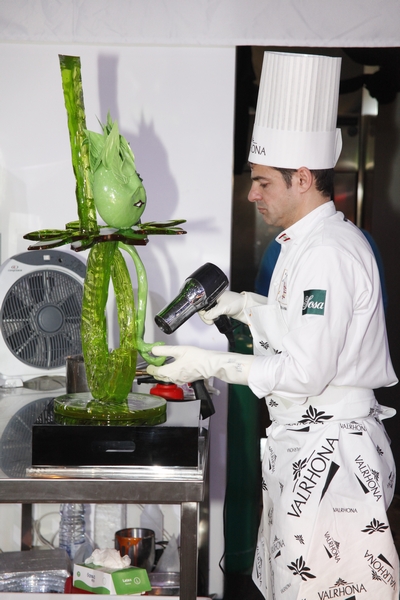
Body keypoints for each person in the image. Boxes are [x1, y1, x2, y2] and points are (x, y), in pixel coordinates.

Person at [147, 51, 399, 599]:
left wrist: (208, 363)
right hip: (306, 447)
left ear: (302, 177)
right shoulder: (303, 246)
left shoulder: (330, 253)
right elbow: (296, 325)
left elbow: (305, 371)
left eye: (262, 182)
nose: (251, 193)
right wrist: (241, 305)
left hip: (333, 462)